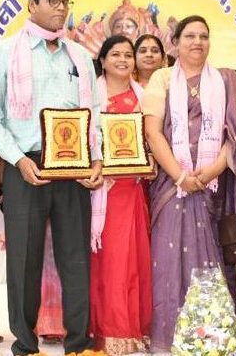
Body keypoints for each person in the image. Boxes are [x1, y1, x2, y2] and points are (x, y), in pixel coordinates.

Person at [0, 0, 103, 356]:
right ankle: (25, 346)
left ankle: (79, 345)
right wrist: (17, 160)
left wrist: (97, 158)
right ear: (32, 5)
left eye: (66, 1)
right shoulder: (5, 53)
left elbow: (94, 113)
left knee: (76, 259)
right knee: (24, 261)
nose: (61, 8)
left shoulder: (79, 56)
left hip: (74, 168)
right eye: (52, 1)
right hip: (26, 166)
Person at [141, 15, 236, 351]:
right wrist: (180, 175)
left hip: (213, 185)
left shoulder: (226, 80)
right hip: (170, 184)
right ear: (175, 43)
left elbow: (235, 136)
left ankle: (211, 334)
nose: (197, 42)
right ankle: (170, 334)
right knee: (168, 256)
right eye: (189, 36)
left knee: (211, 255)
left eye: (204, 36)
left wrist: (211, 171)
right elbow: (152, 132)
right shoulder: (162, 78)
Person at [89, 35, 153, 354]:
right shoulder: (90, 96)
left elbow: (153, 139)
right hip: (102, 190)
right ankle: (107, 330)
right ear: (102, 60)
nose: (123, 60)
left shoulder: (144, 97)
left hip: (133, 190)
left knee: (132, 262)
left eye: (128, 55)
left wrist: (151, 161)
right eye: (115, 54)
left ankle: (132, 329)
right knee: (107, 263)